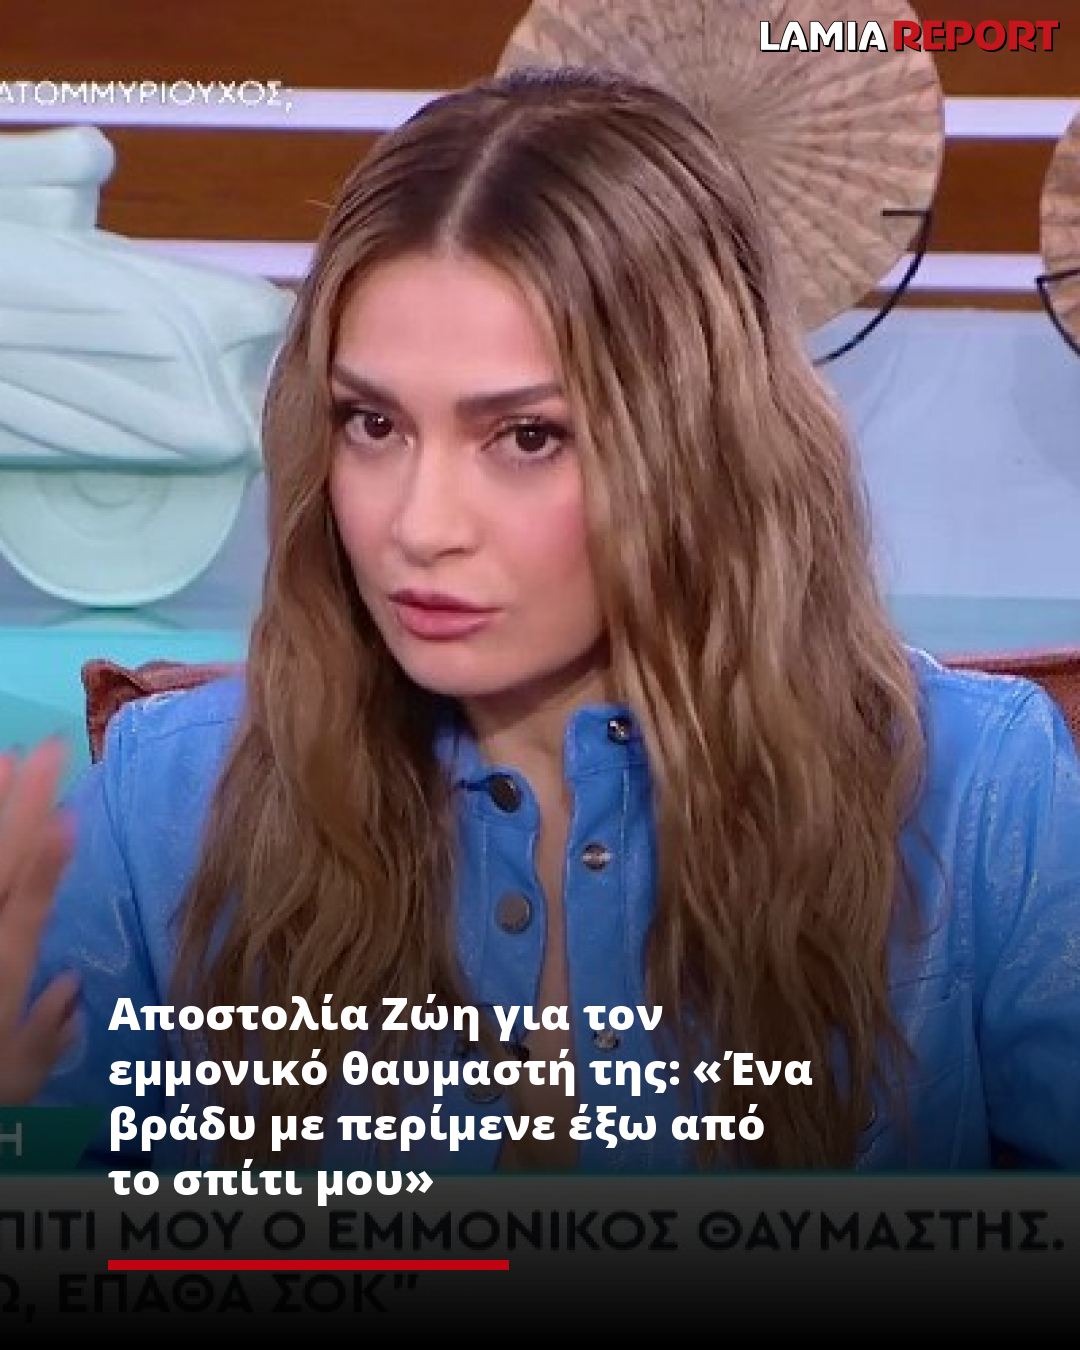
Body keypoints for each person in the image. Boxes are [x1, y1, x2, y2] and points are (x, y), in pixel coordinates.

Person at [2, 67, 1079, 1173]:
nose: (420, 526)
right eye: (372, 423)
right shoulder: (162, 805)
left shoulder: (982, 794)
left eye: (526, 438)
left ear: (702, 451)